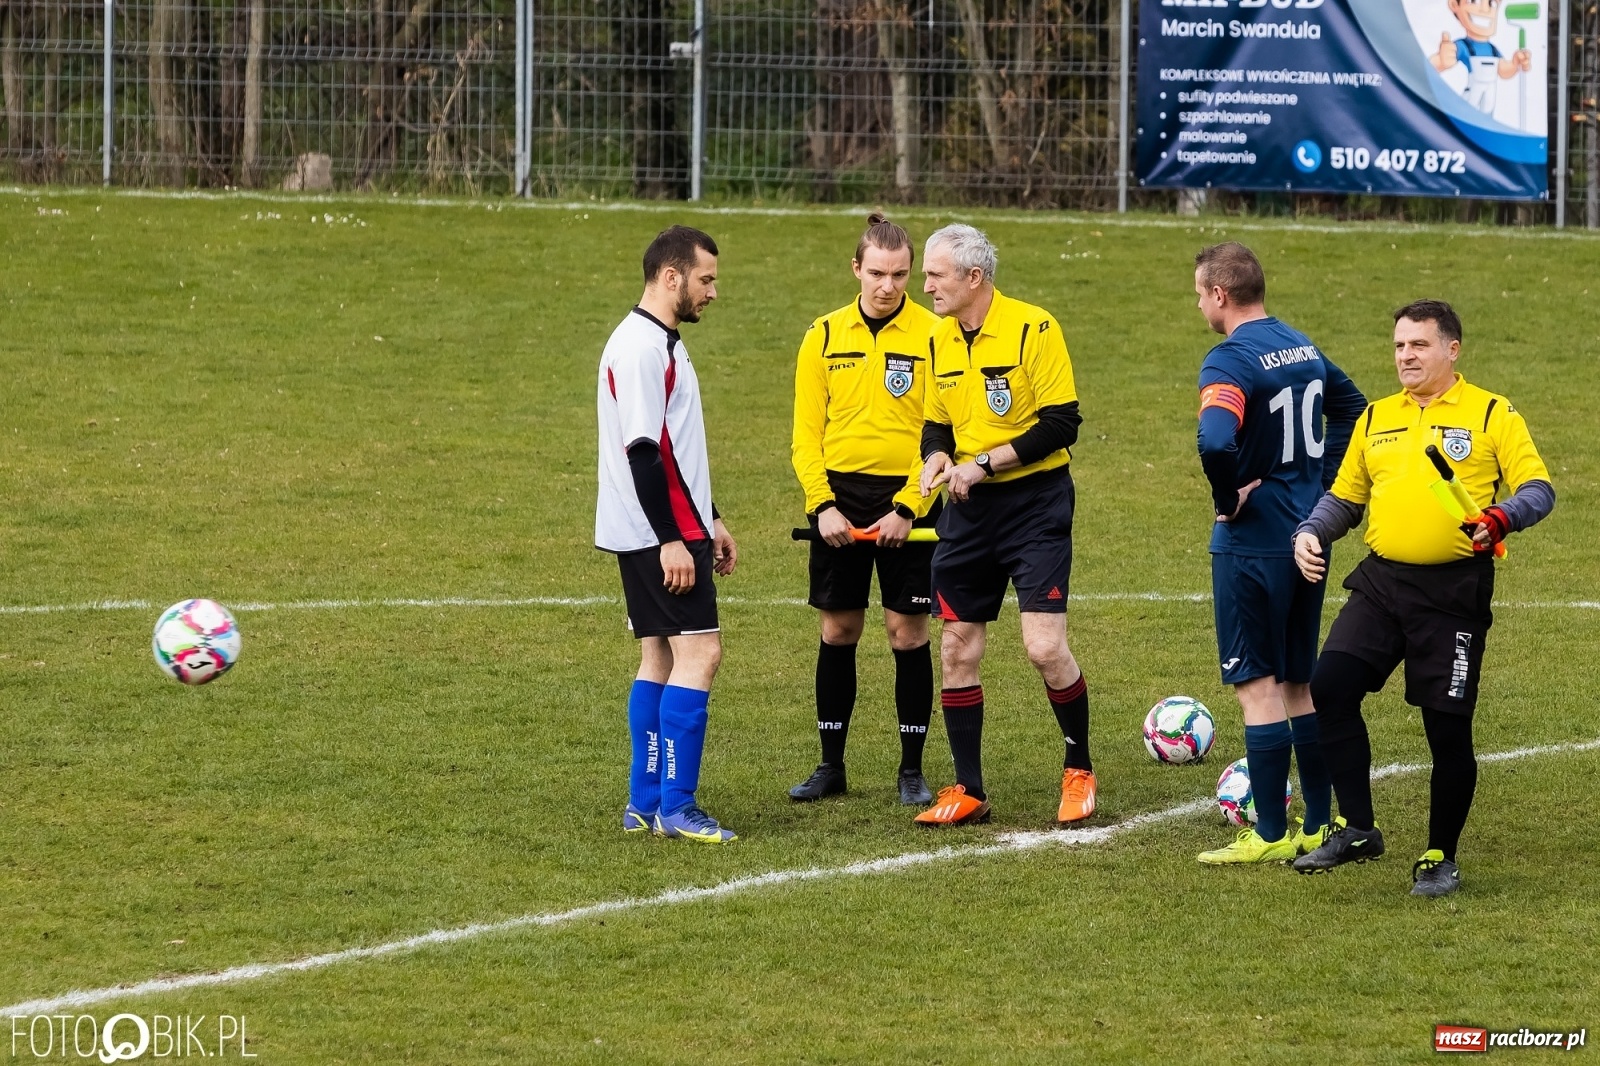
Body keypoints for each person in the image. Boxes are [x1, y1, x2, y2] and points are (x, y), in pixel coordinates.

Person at [1291, 299, 1554, 895]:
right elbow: (1345, 498)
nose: (1405, 356)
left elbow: (1539, 489)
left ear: (1451, 349)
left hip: (1453, 592)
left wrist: (1502, 517)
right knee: (1329, 688)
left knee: (1446, 728)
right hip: (1382, 583)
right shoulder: (1377, 417)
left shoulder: (1492, 413)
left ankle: (1440, 854)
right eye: (1399, 346)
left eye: (1419, 345)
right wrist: (1311, 530)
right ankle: (1359, 829)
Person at [1189, 242, 1367, 865]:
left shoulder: (1229, 359)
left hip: (1252, 545)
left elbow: (1215, 442)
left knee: (1257, 687)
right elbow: (1355, 410)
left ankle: (1267, 834)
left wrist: (1229, 494)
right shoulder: (1302, 346)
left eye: (1199, 293)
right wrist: (1320, 483)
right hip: (1307, 535)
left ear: (1219, 294)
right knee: (1299, 682)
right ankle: (1319, 823)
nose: (1199, 304)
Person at [913, 223, 1093, 827]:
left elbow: (1062, 423)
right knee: (956, 647)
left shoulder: (1034, 328)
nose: (926, 283)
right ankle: (968, 789)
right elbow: (937, 422)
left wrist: (984, 463)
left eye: (936, 274)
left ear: (974, 278)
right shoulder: (938, 338)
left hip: (1035, 505)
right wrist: (937, 457)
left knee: (1044, 647)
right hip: (969, 511)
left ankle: (1079, 768)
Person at [789, 213, 943, 806]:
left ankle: (911, 770)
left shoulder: (935, 335)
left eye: (900, 275)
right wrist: (821, 504)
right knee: (839, 628)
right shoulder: (823, 336)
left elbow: (943, 433)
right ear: (856, 268)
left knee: (907, 633)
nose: (888, 286)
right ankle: (831, 765)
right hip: (839, 501)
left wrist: (910, 506)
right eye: (877, 273)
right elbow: (806, 434)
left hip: (911, 499)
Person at [595, 225, 740, 844]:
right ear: (671, 276)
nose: (712, 291)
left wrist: (712, 517)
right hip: (661, 534)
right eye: (705, 279)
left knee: (658, 653)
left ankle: (644, 802)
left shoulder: (659, 341)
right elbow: (645, 453)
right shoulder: (641, 348)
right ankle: (676, 807)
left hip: (665, 527)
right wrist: (674, 540)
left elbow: (676, 447)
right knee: (700, 653)